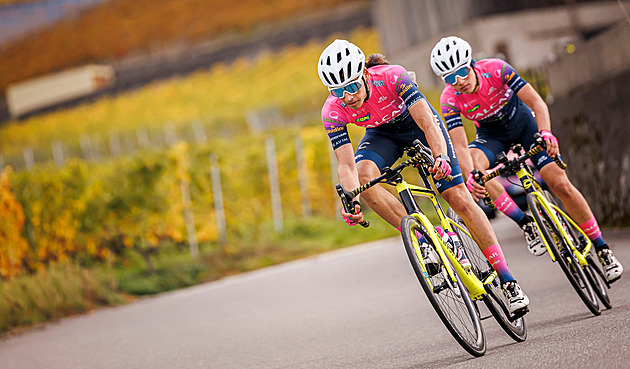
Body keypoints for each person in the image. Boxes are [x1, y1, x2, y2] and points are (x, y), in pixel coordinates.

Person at [318, 39, 529, 314]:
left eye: (352, 86)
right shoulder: (332, 111)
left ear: (365, 74)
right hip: (381, 135)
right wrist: (352, 198)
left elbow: (428, 122)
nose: (348, 97)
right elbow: (345, 165)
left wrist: (440, 156)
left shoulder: (393, 76)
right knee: (363, 179)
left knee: (458, 198)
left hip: (418, 126)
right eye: (339, 91)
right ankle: (424, 240)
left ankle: (508, 280)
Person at [430, 36, 623, 283]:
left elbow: (536, 102)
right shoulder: (449, 99)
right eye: (449, 78)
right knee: (477, 170)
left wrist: (545, 132)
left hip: (525, 126)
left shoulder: (497, 69)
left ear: (472, 64)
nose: (459, 81)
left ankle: (602, 248)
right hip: (492, 137)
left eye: (462, 72)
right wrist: (470, 175)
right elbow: (459, 145)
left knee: (560, 183)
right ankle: (526, 223)